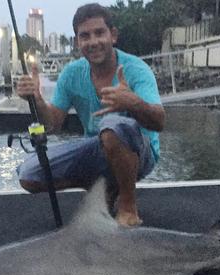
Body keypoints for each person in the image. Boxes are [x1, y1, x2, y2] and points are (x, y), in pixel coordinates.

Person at [15, 3, 165, 227]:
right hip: (97, 146)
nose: (93, 42)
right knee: (29, 174)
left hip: (140, 153)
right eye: (85, 36)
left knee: (113, 126)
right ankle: (103, 186)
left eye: (99, 33)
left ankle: (127, 206)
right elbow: (53, 124)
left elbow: (159, 121)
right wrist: (37, 101)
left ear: (113, 35)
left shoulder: (136, 69)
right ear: (77, 43)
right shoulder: (71, 74)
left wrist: (132, 102)